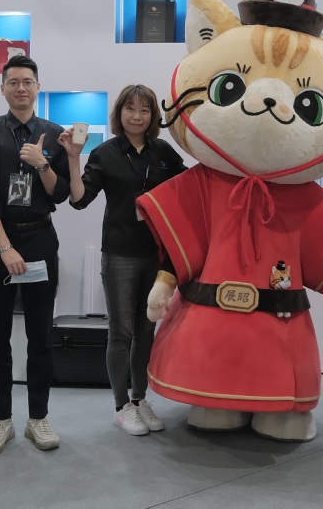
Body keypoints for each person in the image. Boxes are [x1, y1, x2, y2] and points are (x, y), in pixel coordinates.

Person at [59, 84, 187, 436]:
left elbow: (189, 187)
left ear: (153, 116)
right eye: (130, 109)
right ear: (119, 113)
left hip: (156, 254)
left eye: (144, 110)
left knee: (147, 329)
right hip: (119, 254)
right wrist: (74, 158)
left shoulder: (163, 152)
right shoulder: (105, 153)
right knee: (121, 332)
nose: (137, 116)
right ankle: (121, 406)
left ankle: (139, 398)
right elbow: (79, 199)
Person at [0, 55, 70, 455]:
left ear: (38, 87)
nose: (21, 88)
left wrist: (42, 163)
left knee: (40, 334)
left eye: (27, 81)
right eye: (13, 82)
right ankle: (1, 420)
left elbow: (61, 193)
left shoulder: (54, 133)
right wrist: (4, 246)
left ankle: (38, 417)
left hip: (40, 238)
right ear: (3, 89)